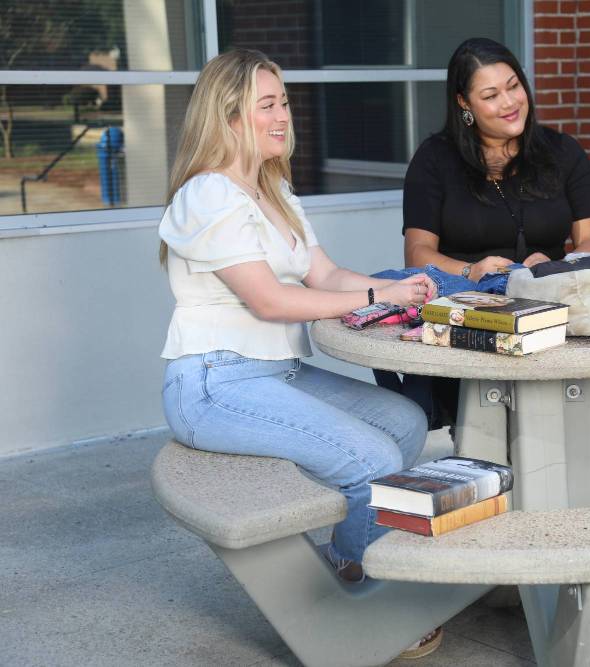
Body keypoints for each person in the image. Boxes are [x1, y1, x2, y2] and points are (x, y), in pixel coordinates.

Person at [156, 48, 443, 660]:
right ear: (230, 117)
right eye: (268, 104)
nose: (284, 114)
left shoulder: (272, 189)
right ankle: (368, 608)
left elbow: (327, 274)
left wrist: (398, 291)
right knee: (370, 456)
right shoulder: (208, 196)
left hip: (274, 373)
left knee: (405, 422)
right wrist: (373, 294)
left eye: (284, 100)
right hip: (213, 382)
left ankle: (344, 560)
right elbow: (269, 300)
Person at [378, 36, 590, 504]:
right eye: (490, 95)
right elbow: (418, 253)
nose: (508, 102)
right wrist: (471, 269)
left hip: (551, 307)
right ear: (464, 103)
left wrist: (557, 263)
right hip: (476, 313)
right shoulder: (435, 160)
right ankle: (496, 550)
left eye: (513, 86)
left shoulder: (563, 152)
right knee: (495, 432)